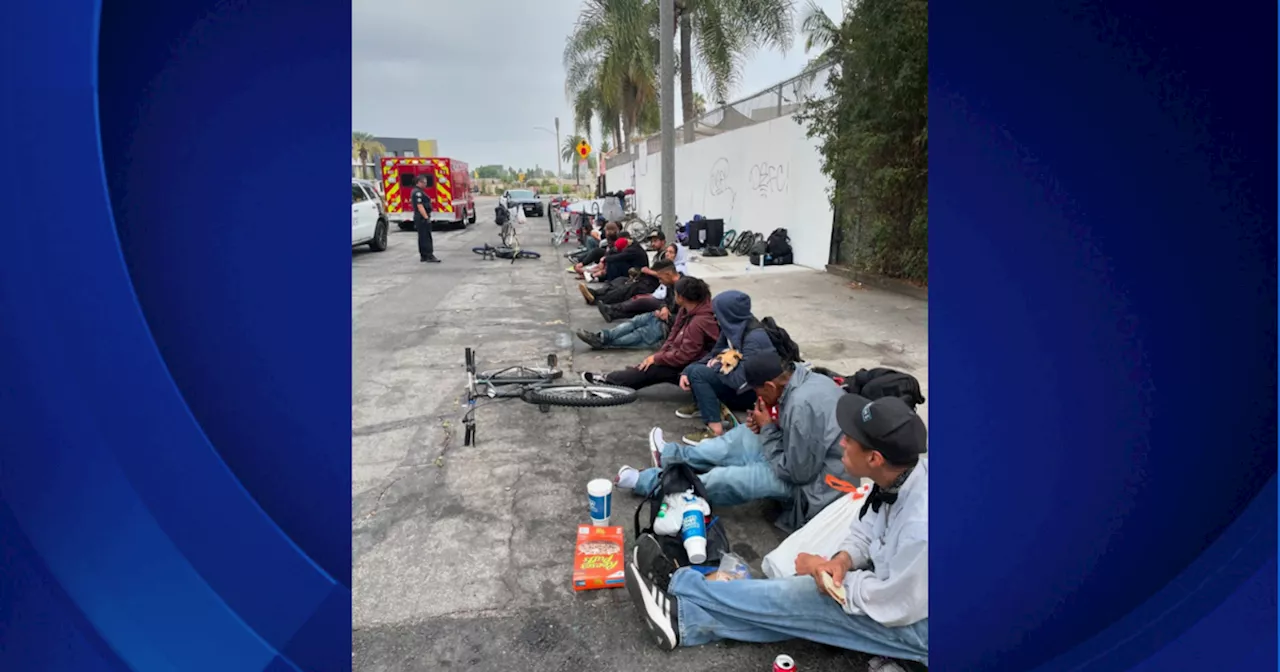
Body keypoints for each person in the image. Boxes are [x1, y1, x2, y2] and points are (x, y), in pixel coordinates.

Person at [622, 394, 929, 670]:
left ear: (875, 458)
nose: (840, 444)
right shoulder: (896, 476)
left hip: (922, 630)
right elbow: (866, 530)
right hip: (902, 593)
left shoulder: (922, 528)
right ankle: (684, 620)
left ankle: (680, 584)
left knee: (811, 598)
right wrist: (841, 560)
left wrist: (823, 575)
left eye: (848, 439)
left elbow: (891, 604)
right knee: (797, 610)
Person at [615, 352, 850, 532]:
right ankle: (671, 456)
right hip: (799, 459)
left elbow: (796, 472)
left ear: (770, 385)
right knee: (737, 440)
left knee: (729, 478)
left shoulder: (801, 403)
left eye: (759, 392)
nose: (758, 397)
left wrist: (768, 427)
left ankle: (649, 483)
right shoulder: (798, 380)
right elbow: (800, 439)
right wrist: (769, 424)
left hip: (814, 486)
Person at [580, 277, 718, 390]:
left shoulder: (700, 321)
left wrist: (658, 359)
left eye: (675, 294)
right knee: (640, 324)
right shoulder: (686, 310)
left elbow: (685, 355)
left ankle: (611, 381)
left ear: (681, 297)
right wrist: (659, 355)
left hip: (697, 367)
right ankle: (620, 373)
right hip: (684, 356)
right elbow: (673, 335)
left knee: (653, 368)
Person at [677, 290, 778, 444]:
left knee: (699, 373)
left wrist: (717, 366)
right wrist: (687, 370)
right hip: (736, 380)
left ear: (729, 313)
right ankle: (705, 406)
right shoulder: (732, 327)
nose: (715, 316)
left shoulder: (755, 338)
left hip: (751, 393)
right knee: (693, 369)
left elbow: (741, 381)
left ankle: (715, 429)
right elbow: (715, 353)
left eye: (717, 312)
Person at [412, 175, 440, 263]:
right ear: (419, 182)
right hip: (421, 218)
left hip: (420, 217)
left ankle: (424, 255)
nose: (425, 184)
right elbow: (420, 206)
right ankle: (429, 255)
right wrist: (426, 217)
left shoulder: (419, 191)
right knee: (426, 237)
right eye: (424, 182)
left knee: (423, 237)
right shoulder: (418, 193)